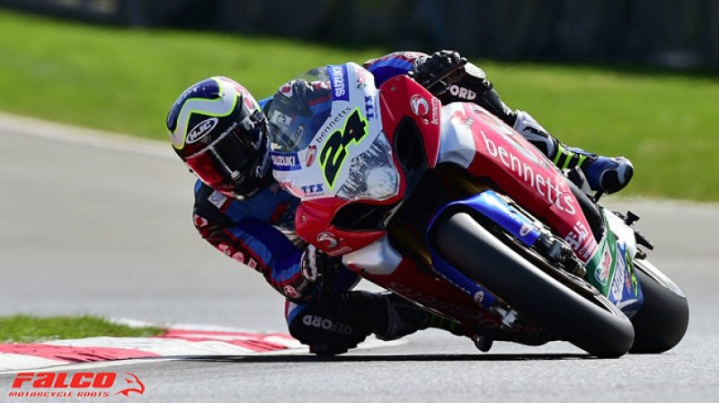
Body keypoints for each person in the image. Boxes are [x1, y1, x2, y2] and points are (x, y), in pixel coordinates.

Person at [165, 50, 633, 356]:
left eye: (229, 152)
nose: (226, 172)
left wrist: (420, 66)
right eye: (207, 166)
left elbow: (363, 77)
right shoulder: (213, 214)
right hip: (335, 242)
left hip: (380, 172)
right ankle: (436, 313)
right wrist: (305, 268)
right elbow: (275, 267)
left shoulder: (291, 103)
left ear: (251, 124)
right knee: (311, 322)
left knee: (458, 79)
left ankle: (570, 159)